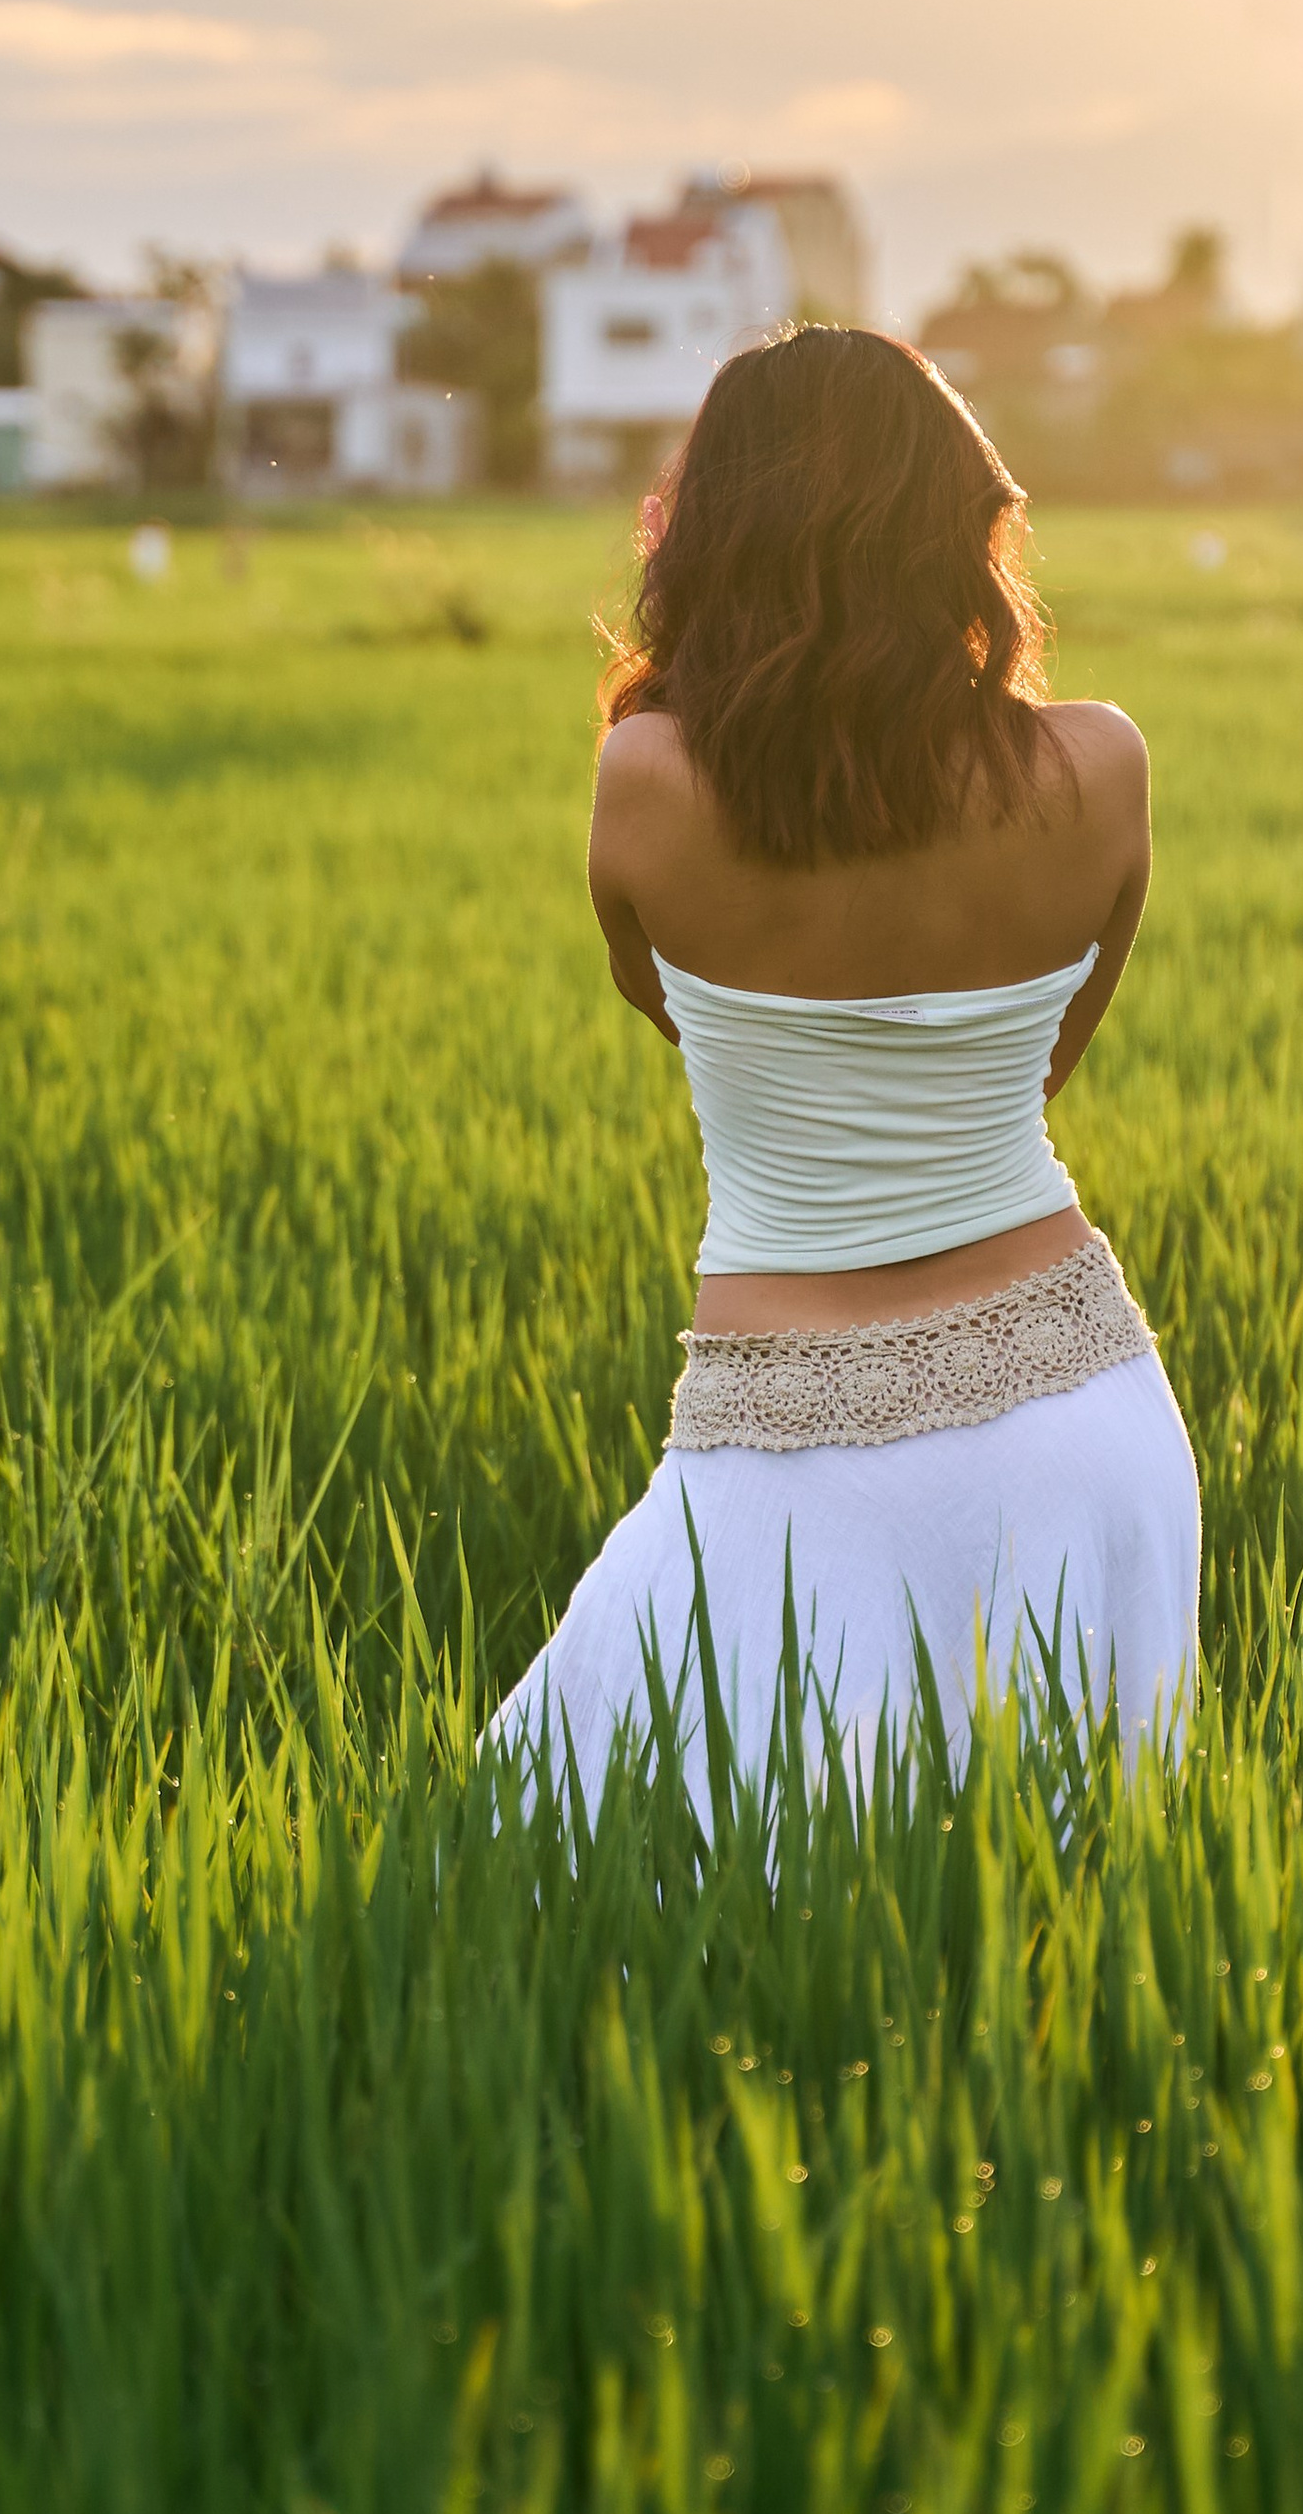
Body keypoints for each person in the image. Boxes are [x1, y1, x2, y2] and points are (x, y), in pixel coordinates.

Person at [489, 324, 1200, 1813]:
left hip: (792, 1444)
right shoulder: (1103, 769)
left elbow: (678, 1013)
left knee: (575, 1877)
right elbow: (1044, 1065)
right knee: (1043, 1925)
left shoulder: (648, 787)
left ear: (731, 533)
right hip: (1079, 1405)